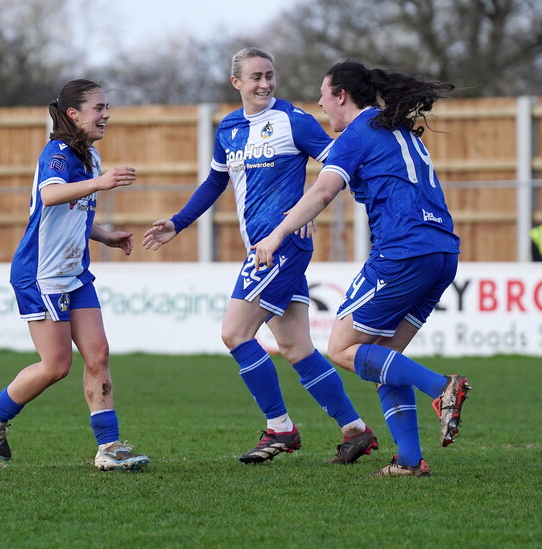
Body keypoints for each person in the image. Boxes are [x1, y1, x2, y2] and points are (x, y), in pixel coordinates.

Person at [143, 47, 380, 465]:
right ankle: (355, 430)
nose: (265, 84)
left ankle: (281, 428)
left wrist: (309, 210)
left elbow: (340, 168)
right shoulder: (229, 128)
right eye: (255, 77)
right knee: (296, 347)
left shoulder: (294, 121)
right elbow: (214, 183)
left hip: (281, 246)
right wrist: (178, 223)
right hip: (264, 248)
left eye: (270, 75)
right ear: (236, 82)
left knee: (235, 333)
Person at [252, 61, 471, 477]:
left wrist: (277, 233)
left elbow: (323, 192)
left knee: (341, 349)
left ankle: (441, 387)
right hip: (442, 251)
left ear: (341, 96)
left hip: (402, 251)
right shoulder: (396, 128)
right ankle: (408, 461)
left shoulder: (357, 133)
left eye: (323, 95)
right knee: (383, 357)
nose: (320, 104)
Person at [0, 79, 150, 472]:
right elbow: (50, 195)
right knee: (56, 366)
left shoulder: (91, 157)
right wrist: (101, 183)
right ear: (73, 113)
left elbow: (74, 214)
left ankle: (109, 447)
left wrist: (106, 235)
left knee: (98, 355)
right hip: (41, 273)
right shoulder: (56, 153)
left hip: (75, 272)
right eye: (99, 108)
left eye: (107, 108)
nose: (106, 115)